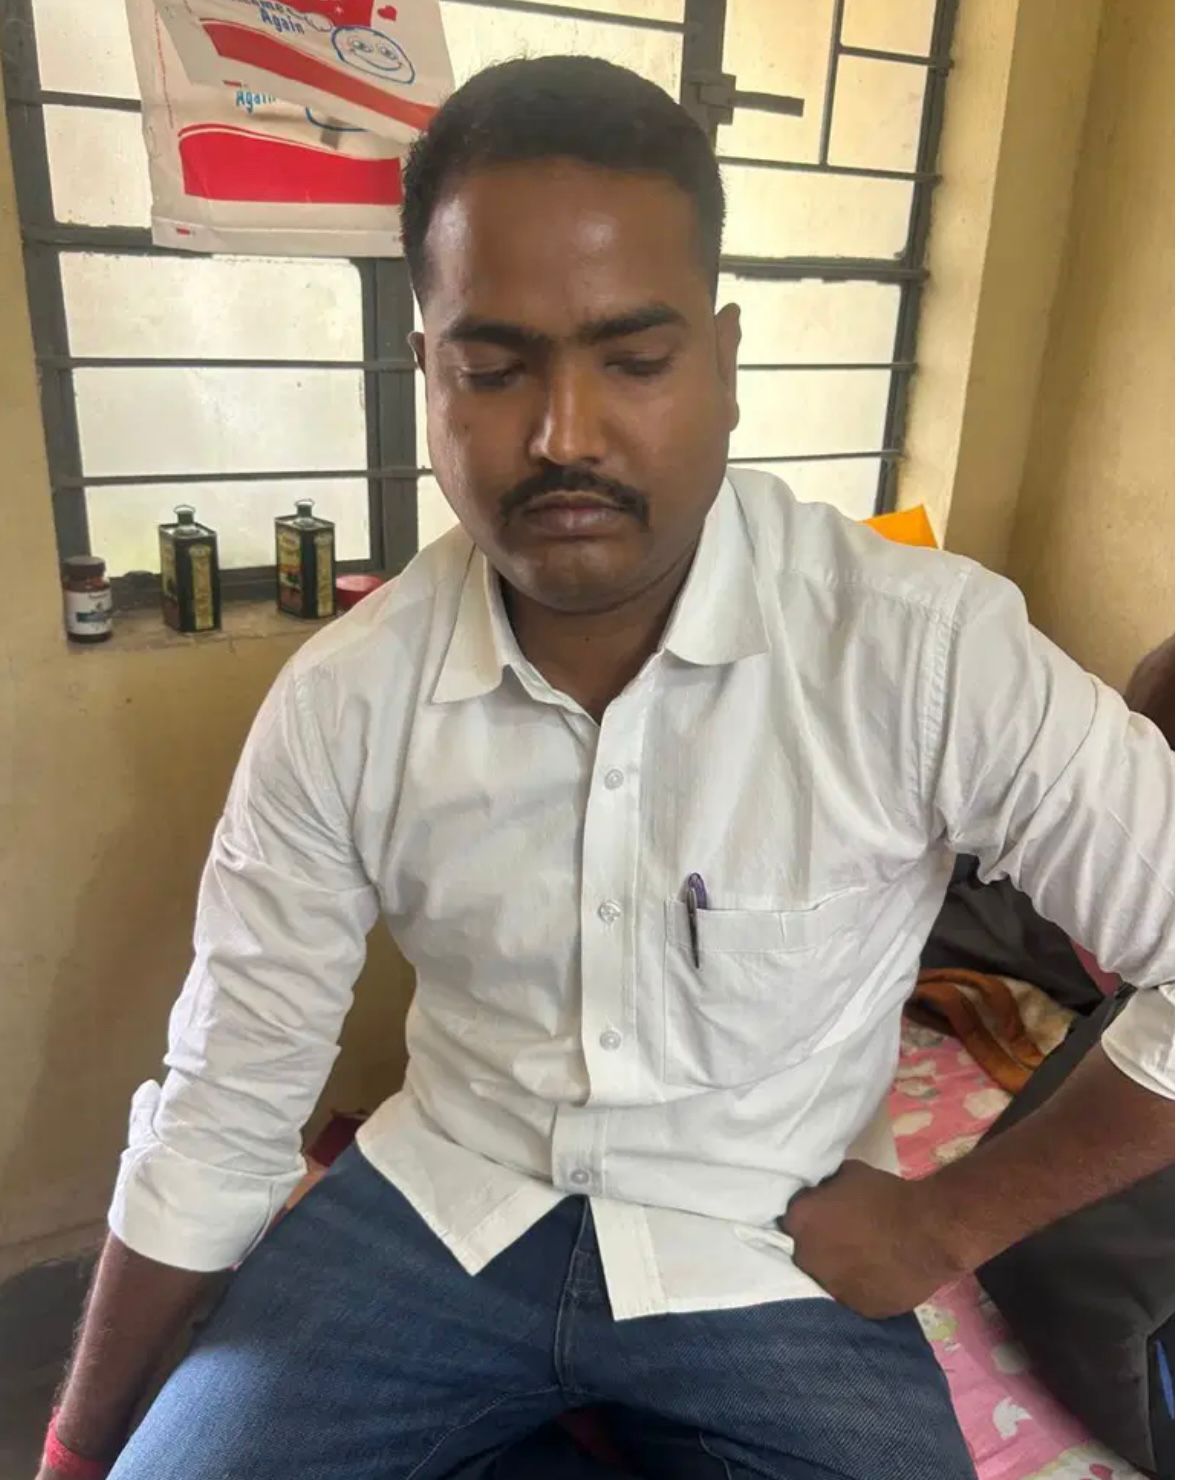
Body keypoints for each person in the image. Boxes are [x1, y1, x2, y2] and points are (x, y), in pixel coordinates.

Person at [38, 56, 1173, 1480]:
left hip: (768, 1243)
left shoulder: (920, 652)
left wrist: (948, 1225)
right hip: (438, 1210)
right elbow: (227, 1100)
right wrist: (78, 1453)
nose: (563, 435)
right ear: (429, 375)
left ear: (726, 363)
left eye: (634, 361)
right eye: (495, 368)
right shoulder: (345, 700)